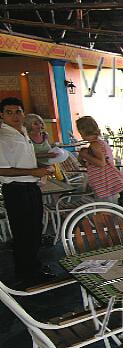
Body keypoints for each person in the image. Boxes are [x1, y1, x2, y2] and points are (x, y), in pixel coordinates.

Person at [0, 97, 55, 287]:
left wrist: (40, 168)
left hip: (31, 186)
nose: (15, 116)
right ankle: (25, 274)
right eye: (9, 112)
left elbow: (25, 161)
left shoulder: (22, 131)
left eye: (18, 112)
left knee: (34, 229)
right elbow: (2, 169)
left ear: (23, 113)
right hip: (16, 189)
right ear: (2, 115)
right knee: (23, 232)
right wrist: (33, 171)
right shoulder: (3, 137)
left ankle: (34, 267)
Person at [75, 116, 123, 203]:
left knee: (106, 210)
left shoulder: (95, 144)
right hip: (102, 183)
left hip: (104, 183)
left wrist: (85, 155)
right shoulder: (97, 143)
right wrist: (83, 157)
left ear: (83, 130)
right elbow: (91, 164)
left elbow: (101, 163)